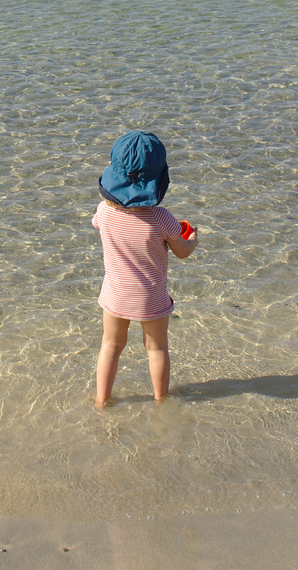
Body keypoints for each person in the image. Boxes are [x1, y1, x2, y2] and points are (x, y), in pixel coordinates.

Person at [92, 130, 198, 408]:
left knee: (110, 347)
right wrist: (192, 239)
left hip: (115, 294)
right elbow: (182, 251)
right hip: (150, 297)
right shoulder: (162, 218)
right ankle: (161, 401)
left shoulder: (103, 211)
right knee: (157, 349)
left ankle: (102, 400)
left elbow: (100, 225)